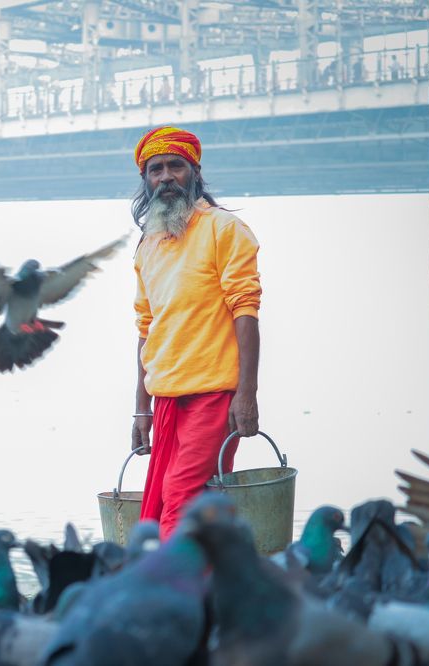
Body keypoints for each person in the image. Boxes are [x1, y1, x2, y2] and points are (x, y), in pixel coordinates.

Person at [129, 126, 262, 538]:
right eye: (156, 169)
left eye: (176, 166)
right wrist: (141, 407)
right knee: (170, 505)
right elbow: (146, 328)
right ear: (146, 180)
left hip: (214, 394)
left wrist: (247, 393)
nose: (166, 177)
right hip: (167, 396)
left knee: (182, 500)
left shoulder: (224, 229)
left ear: (195, 172)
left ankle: (173, 594)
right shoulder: (148, 245)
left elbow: (246, 309)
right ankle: (202, 594)